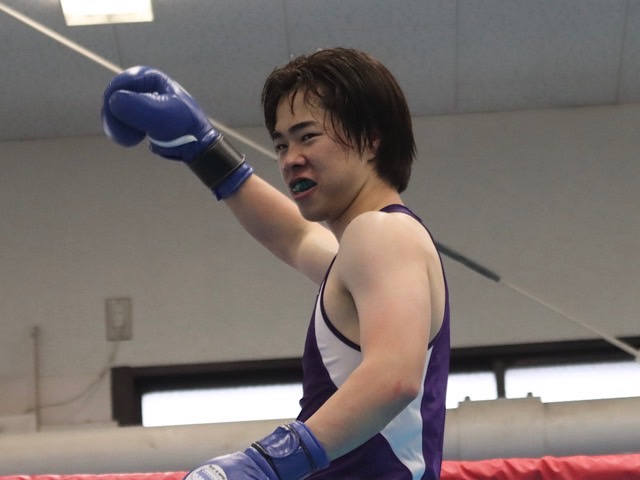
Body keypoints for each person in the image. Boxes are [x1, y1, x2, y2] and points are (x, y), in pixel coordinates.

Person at [101, 47, 450, 480]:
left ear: (371, 138)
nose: (289, 159)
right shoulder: (369, 248)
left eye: (307, 137)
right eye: (281, 144)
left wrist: (268, 462)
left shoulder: (381, 233)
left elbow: (394, 377)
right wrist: (201, 148)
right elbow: (295, 237)